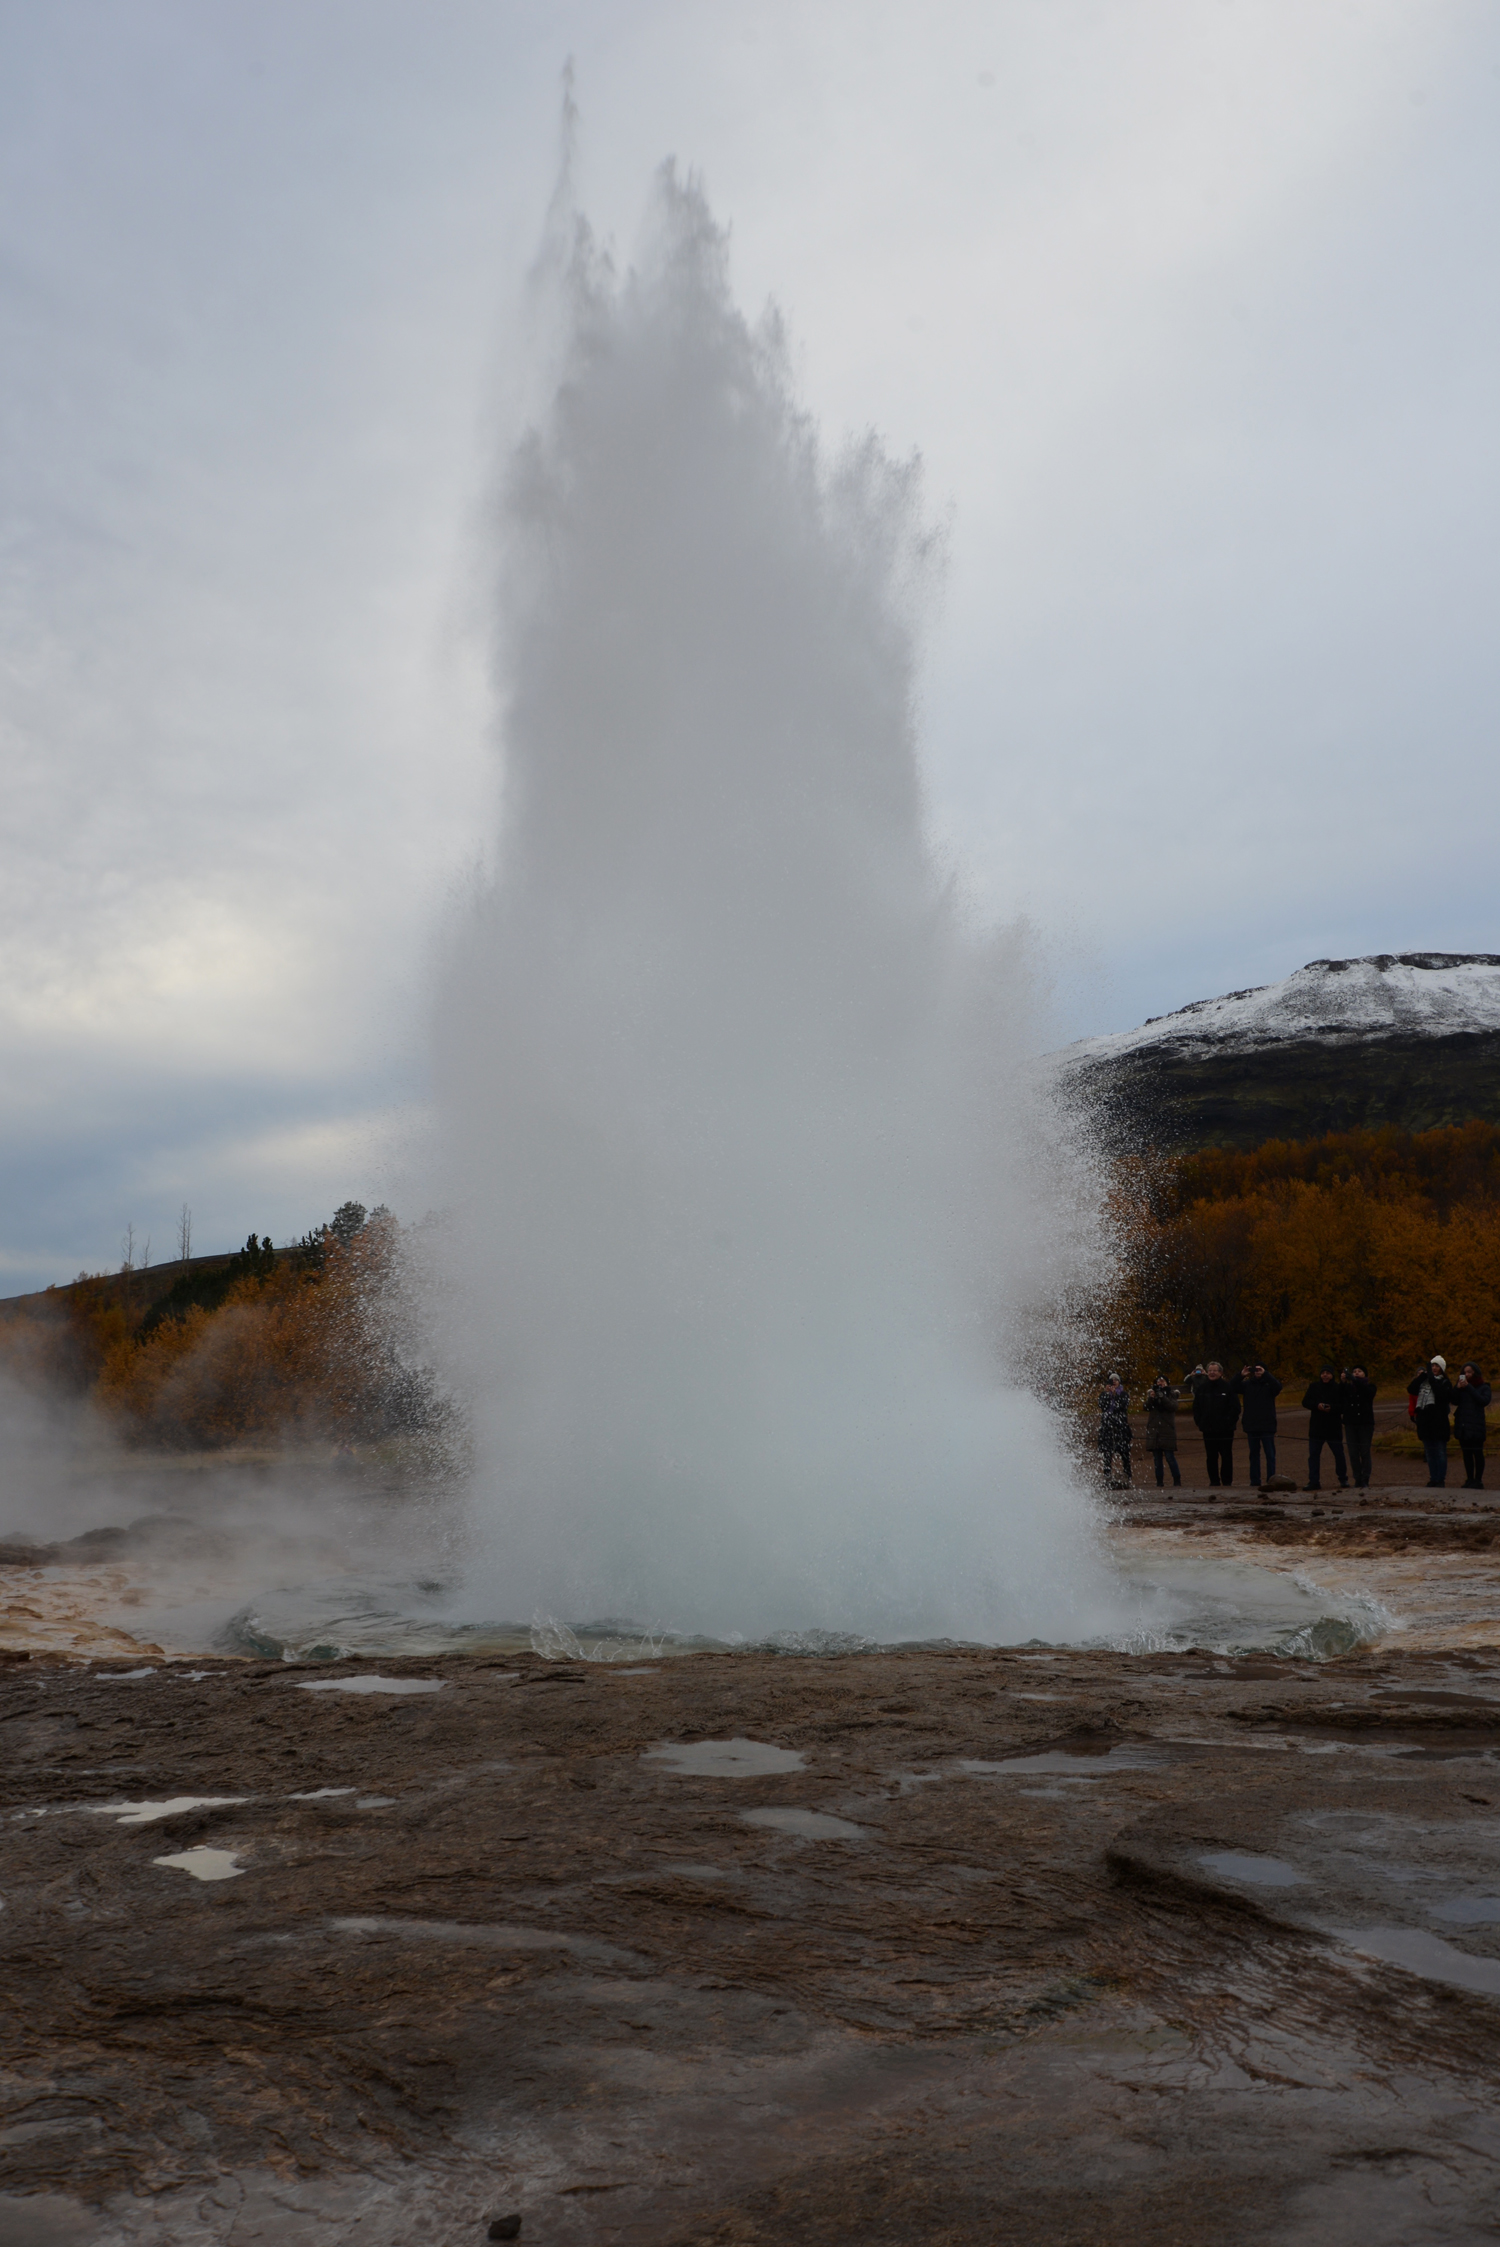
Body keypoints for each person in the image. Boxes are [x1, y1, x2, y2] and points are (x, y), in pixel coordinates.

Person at [1407, 1356, 1456, 1488]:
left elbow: (1441, 1396)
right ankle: (1433, 1477)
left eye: (1437, 1366)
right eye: (1432, 1366)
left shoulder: (1445, 1382)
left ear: (1442, 1368)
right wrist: (1422, 1377)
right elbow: (1411, 1389)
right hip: (1425, 1422)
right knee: (1429, 1452)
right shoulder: (1424, 1381)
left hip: (1439, 1422)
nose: (1434, 1368)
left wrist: (1432, 1380)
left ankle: (1440, 1478)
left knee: (1440, 1451)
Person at [1234, 1361, 1283, 1488]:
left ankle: (1271, 1479)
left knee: (1270, 1454)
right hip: (1252, 1425)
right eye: (1255, 1370)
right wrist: (1241, 1375)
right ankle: (1255, 1480)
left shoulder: (1270, 1384)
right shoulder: (1247, 1385)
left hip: (1267, 1425)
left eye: (1260, 1370)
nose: (1257, 1372)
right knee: (1254, 1454)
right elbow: (1232, 1387)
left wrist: (1266, 1374)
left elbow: (1278, 1387)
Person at [1192, 1360, 1240, 1488]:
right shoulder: (1202, 1389)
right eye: (1210, 1371)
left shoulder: (1228, 1387)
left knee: (1226, 1456)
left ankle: (1227, 1481)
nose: (1212, 1373)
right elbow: (1196, 1408)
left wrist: (1228, 1423)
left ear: (1220, 1373)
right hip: (1208, 1430)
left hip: (1226, 1430)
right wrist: (1200, 1423)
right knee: (1211, 1457)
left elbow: (1235, 1408)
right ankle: (1214, 1481)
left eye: (1215, 1370)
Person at [1301, 1366, 1349, 1491]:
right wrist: (1317, 1405)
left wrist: (1331, 1408)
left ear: (1332, 1375)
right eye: (1323, 1373)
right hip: (1316, 1428)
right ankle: (1314, 1481)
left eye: (1328, 1373)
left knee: (1339, 1455)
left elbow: (1344, 1406)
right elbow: (1305, 1402)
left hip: (1333, 1427)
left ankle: (1343, 1479)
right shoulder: (1314, 1386)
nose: (1325, 1375)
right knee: (1313, 1456)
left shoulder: (1338, 1388)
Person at [1453, 1363, 1491, 1490]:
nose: (1467, 1374)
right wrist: (1457, 1388)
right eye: (1465, 1372)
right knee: (1466, 1454)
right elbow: (1453, 1400)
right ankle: (1469, 1478)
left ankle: (1478, 1480)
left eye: (1469, 1372)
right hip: (1463, 1424)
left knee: (1477, 1453)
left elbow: (1483, 1400)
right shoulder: (1461, 1388)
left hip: (1476, 1425)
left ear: (1475, 1372)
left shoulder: (1483, 1387)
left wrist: (1469, 1387)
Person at [1342, 1365, 1378, 1492]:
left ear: (1365, 1374)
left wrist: (1354, 1380)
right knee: (1353, 1453)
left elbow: (1367, 1393)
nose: (1356, 1373)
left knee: (1365, 1451)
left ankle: (1365, 1479)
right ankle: (1357, 1478)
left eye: (1359, 1371)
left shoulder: (1370, 1387)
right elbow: (1340, 1395)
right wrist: (1344, 1381)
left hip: (1365, 1424)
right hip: (1351, 1423)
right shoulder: (1348, 1388)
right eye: (1354, 1371)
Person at [1144, 1375, 1182, 1489]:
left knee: (1170, 1457)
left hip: (1167, 1429)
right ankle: (1159, 1482)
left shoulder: (1172, 1394)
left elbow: (1173, 1406)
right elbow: (1145, 1407)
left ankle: (1177, 1480)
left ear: (1167, 1383)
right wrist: (1151, 1398)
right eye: (1158, 1381)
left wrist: (1163, 1397)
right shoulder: (1152, 1394)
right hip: (1154, 1430)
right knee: (1157, 1459)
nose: (1160, 1383)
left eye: (1163, 1381)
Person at [1098, 1374, 1132, 1488]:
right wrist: (1108, 1394)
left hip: (1120, 1427)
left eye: (1116, 1379)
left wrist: (1115, 1395)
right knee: (1107, 1454)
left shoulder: (1123, 1394)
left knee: (1124, 1453)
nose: (1114, 1382)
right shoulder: (1104, 1394)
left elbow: (1122, 1406)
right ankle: (1107, 1477)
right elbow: (1102, 1406)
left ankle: (1128, 1476)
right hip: (1107, 1428)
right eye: (1112, 1380)